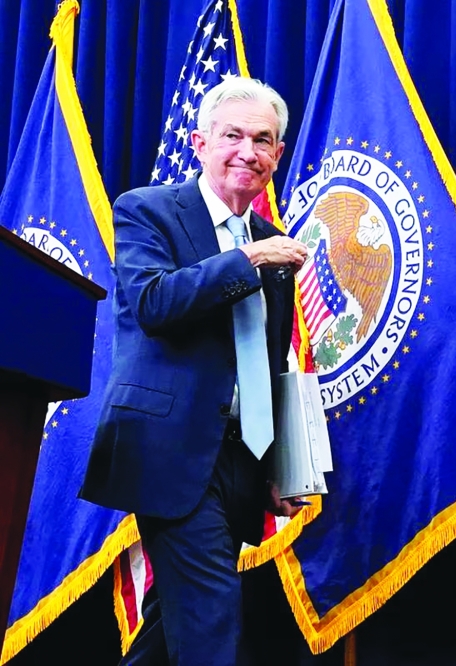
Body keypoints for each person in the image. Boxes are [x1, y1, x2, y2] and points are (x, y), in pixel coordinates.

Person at [80, 77, 309, 665]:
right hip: (170, 451)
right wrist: (248, 258)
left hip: (240, 460)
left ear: (277, 156)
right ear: (199, 142)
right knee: (210, 627)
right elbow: (154, 304)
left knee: (171, 631)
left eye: (263, 140)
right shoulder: (147, 210)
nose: (248, 152)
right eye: (232, 135)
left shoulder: (270, 239)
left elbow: (270, 356)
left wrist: (284, 464)